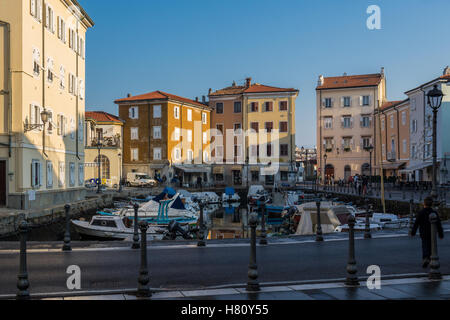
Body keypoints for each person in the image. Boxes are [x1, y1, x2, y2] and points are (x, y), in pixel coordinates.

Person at [411, 197, 444, 268]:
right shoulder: (434, 212)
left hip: (423, 232)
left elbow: (416, 223)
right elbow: (438, 224)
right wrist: (440, 234)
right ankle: (431, 258)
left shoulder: (421, 212)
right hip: (432, 233)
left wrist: (413, 232)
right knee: (432, 246)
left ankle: (426, 258)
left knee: (425, 245)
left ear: (424, 204)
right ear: (432, 204)